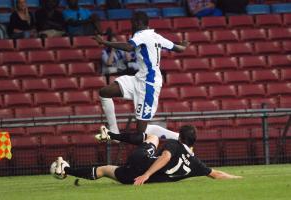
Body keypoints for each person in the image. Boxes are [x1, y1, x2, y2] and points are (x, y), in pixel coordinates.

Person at [93, 11, 187, 139]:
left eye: (132, 23)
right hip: (138, 79)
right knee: (105, 92)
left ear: (137, 23)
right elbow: (179, 49)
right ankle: (113, 132)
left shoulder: (141, 35)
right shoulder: (156, 36)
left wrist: (104, 42)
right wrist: (184, 46)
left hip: (149, 85)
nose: (131, 27)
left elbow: (128, 47)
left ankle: (180, 138)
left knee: (140, 135)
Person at [53, 125, 242, 185]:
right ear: (194, 142)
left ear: (180, 137)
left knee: (152, 136)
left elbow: (166, 157)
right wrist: (237, 178)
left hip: (141, 165)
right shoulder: (195, 163)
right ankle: (66, 170)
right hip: (135, 177)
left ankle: (110, 135)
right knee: (104, 170)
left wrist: (147, 174)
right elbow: (216, 174)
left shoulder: (175, 145)